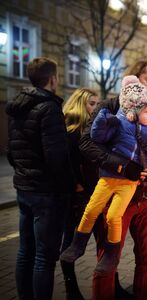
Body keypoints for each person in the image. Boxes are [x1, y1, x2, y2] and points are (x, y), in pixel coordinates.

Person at [79, 60, 147, 300]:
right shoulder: (110, 107)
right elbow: (86, 144)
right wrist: (122, 166)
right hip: (116, 198)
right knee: (107, 260)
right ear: (134, 79)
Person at [61, 75, 147, 276]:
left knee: (113, 216)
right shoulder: (119, 121)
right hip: (108, 177)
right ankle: (78, 244)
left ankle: (111, 255)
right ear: (134, 110)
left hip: (128, 183)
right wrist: (103, 120)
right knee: (91, 209)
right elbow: (97, 138)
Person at [6, 57, 75, 300]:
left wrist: (24, 172)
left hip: (24, 187)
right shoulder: (49, 107)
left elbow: (11, 151)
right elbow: (56, 157)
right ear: (52, 78)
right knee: (44, 258)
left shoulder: (17, 107)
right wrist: (68, 186)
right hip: (46, 193)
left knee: (26, 251)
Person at [61, 88, 99, 300]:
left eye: (97, 104)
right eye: (91, 103)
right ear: (80, 104)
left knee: (104, 240)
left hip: (95, 193)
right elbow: (67, 162)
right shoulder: (72, 131)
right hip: (77, 196)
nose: (95, 108)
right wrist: (77, 184)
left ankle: (110, 285)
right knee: (71, 243)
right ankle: (71, 289)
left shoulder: (93, 129)